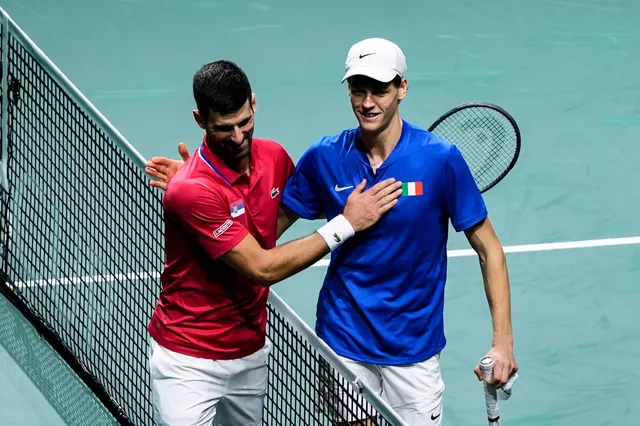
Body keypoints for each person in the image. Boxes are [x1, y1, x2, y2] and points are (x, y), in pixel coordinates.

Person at [146, 39, 518, 426]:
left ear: (402, 88)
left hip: (412, 347)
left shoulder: (439, 160)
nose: (368, 102)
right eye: (359, 89)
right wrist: (200, 183)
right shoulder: (325, 158)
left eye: (380, 90)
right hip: (343, 343)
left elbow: (489, 249)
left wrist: (503, 342)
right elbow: (262, 233)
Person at [146, 59, 403, 426]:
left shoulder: (274, 157)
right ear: (200, 120)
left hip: (250, 351)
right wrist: (346, 223)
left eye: (244, 123)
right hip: (189, 359)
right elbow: (262, 267)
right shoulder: (189, 191)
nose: (237, 138)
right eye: (223, 129)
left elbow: (273, 223)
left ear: (254, 103)